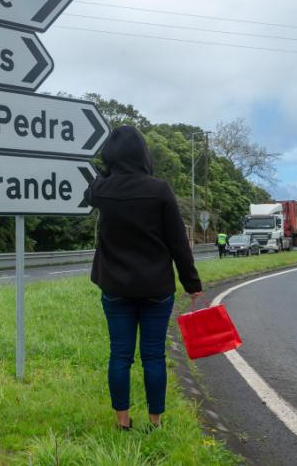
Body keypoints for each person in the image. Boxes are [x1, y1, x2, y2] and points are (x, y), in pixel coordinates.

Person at [85, 126, 203, 431]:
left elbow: (90, 190)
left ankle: (122, 423)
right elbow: (178, 243)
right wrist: (192, 284)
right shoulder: (160, 190)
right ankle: (155, 422)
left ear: (111, 155)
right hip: (156, 289)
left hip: (115, 288)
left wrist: (105, 171)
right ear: (143, 154)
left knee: (119, 355)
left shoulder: (103, 190)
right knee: (153, 356)